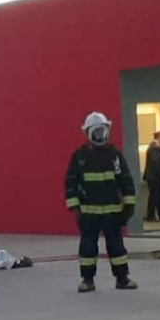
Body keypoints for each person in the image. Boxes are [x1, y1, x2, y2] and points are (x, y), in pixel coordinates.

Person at [64, 111, 138, 293]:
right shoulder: (79, 157)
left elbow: (126, 180)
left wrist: (129, 205)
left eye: (102, 130)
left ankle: (122, 278)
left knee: (116, 246)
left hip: (112, 211)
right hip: (89, 211)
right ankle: (87, 280)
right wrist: (74, 208)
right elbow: (70, 183)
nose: (99, 135)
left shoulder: (114, 155)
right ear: (87, 133)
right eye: (96, 131)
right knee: (88, 246)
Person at [143, 129, 160, 222]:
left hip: (153, 177)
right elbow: (157, 162)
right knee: (155, 196)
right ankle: (151, 216)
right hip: (155, 177)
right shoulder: (155, 148)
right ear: (159, 137)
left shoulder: (154, 147)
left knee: (158, 195)